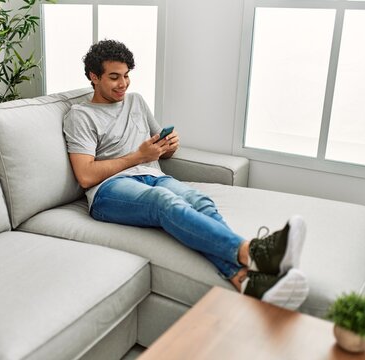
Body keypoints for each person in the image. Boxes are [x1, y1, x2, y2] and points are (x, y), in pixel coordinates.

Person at [63, 39, 309, 310]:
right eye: (114, 77)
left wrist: (167, 147)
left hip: (152, 174)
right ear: (93, 77)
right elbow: (85, 175)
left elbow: (159, 151)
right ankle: (253, 252)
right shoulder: (81, 116)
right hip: (109, 191)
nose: (123, 84)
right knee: (163, 203)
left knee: (200, 201)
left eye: (126, 76)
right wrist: (138, 157)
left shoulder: (136, 102)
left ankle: (245, 280)